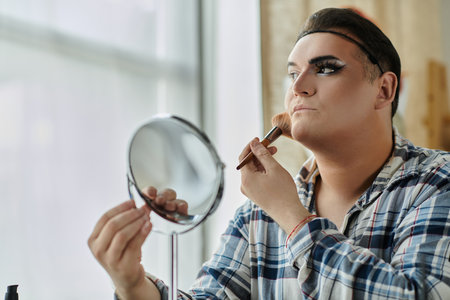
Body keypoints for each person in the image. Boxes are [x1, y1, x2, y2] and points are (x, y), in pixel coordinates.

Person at [88, 7, 450, 299]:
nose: (299, 87)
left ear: (384, 91)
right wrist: (134, 285)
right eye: (292, 73)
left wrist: (292, 217)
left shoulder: (437, 184)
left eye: (325, 69)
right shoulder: (256, 217)